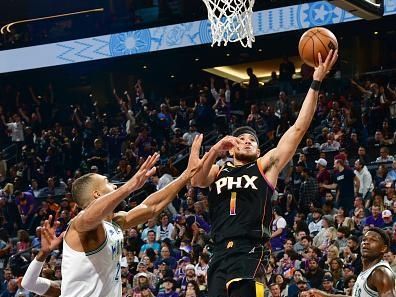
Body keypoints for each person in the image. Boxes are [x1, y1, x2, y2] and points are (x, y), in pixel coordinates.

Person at [191, 50, 338, 297]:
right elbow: (196, 179)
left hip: (250, 250)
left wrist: (316, 82)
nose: (246, 142)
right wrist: (215, 149)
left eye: (252, 140)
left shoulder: (264, 165)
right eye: (241, 139)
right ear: (231, 145)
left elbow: (299, 128)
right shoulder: (218, 170)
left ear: (259, 149)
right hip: (218, 253)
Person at [60, 135, 205, 297]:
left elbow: (152, 207)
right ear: (96, 194)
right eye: (108, 182)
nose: (114, 185)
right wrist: (130, 185)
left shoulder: (115, 222)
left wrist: (187, 173)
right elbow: (89, 216)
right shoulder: (79, 227)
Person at [304, 227, 396, 297]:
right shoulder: (368, 271)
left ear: (383, 248)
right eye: (364, 239)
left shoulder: (381, 272)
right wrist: (323, 295)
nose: (366, 242)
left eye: (373, 240)